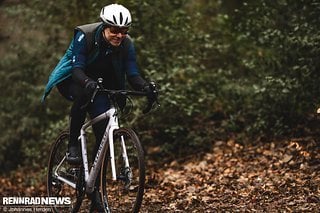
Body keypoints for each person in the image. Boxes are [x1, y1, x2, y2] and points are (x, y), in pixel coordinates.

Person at [43, 4, 157, 212]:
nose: (119, 35)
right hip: (74, 79)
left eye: (124, 31)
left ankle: (92, 188)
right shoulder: (84, 36)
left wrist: (146, 87)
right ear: (104, 27)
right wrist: (87, 83)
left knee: (104, 133)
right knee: (82, 94)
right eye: (114, 30)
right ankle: (72, 146)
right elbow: (77, 69)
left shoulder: (126, 44)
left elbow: (132, 74)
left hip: (102, 86)